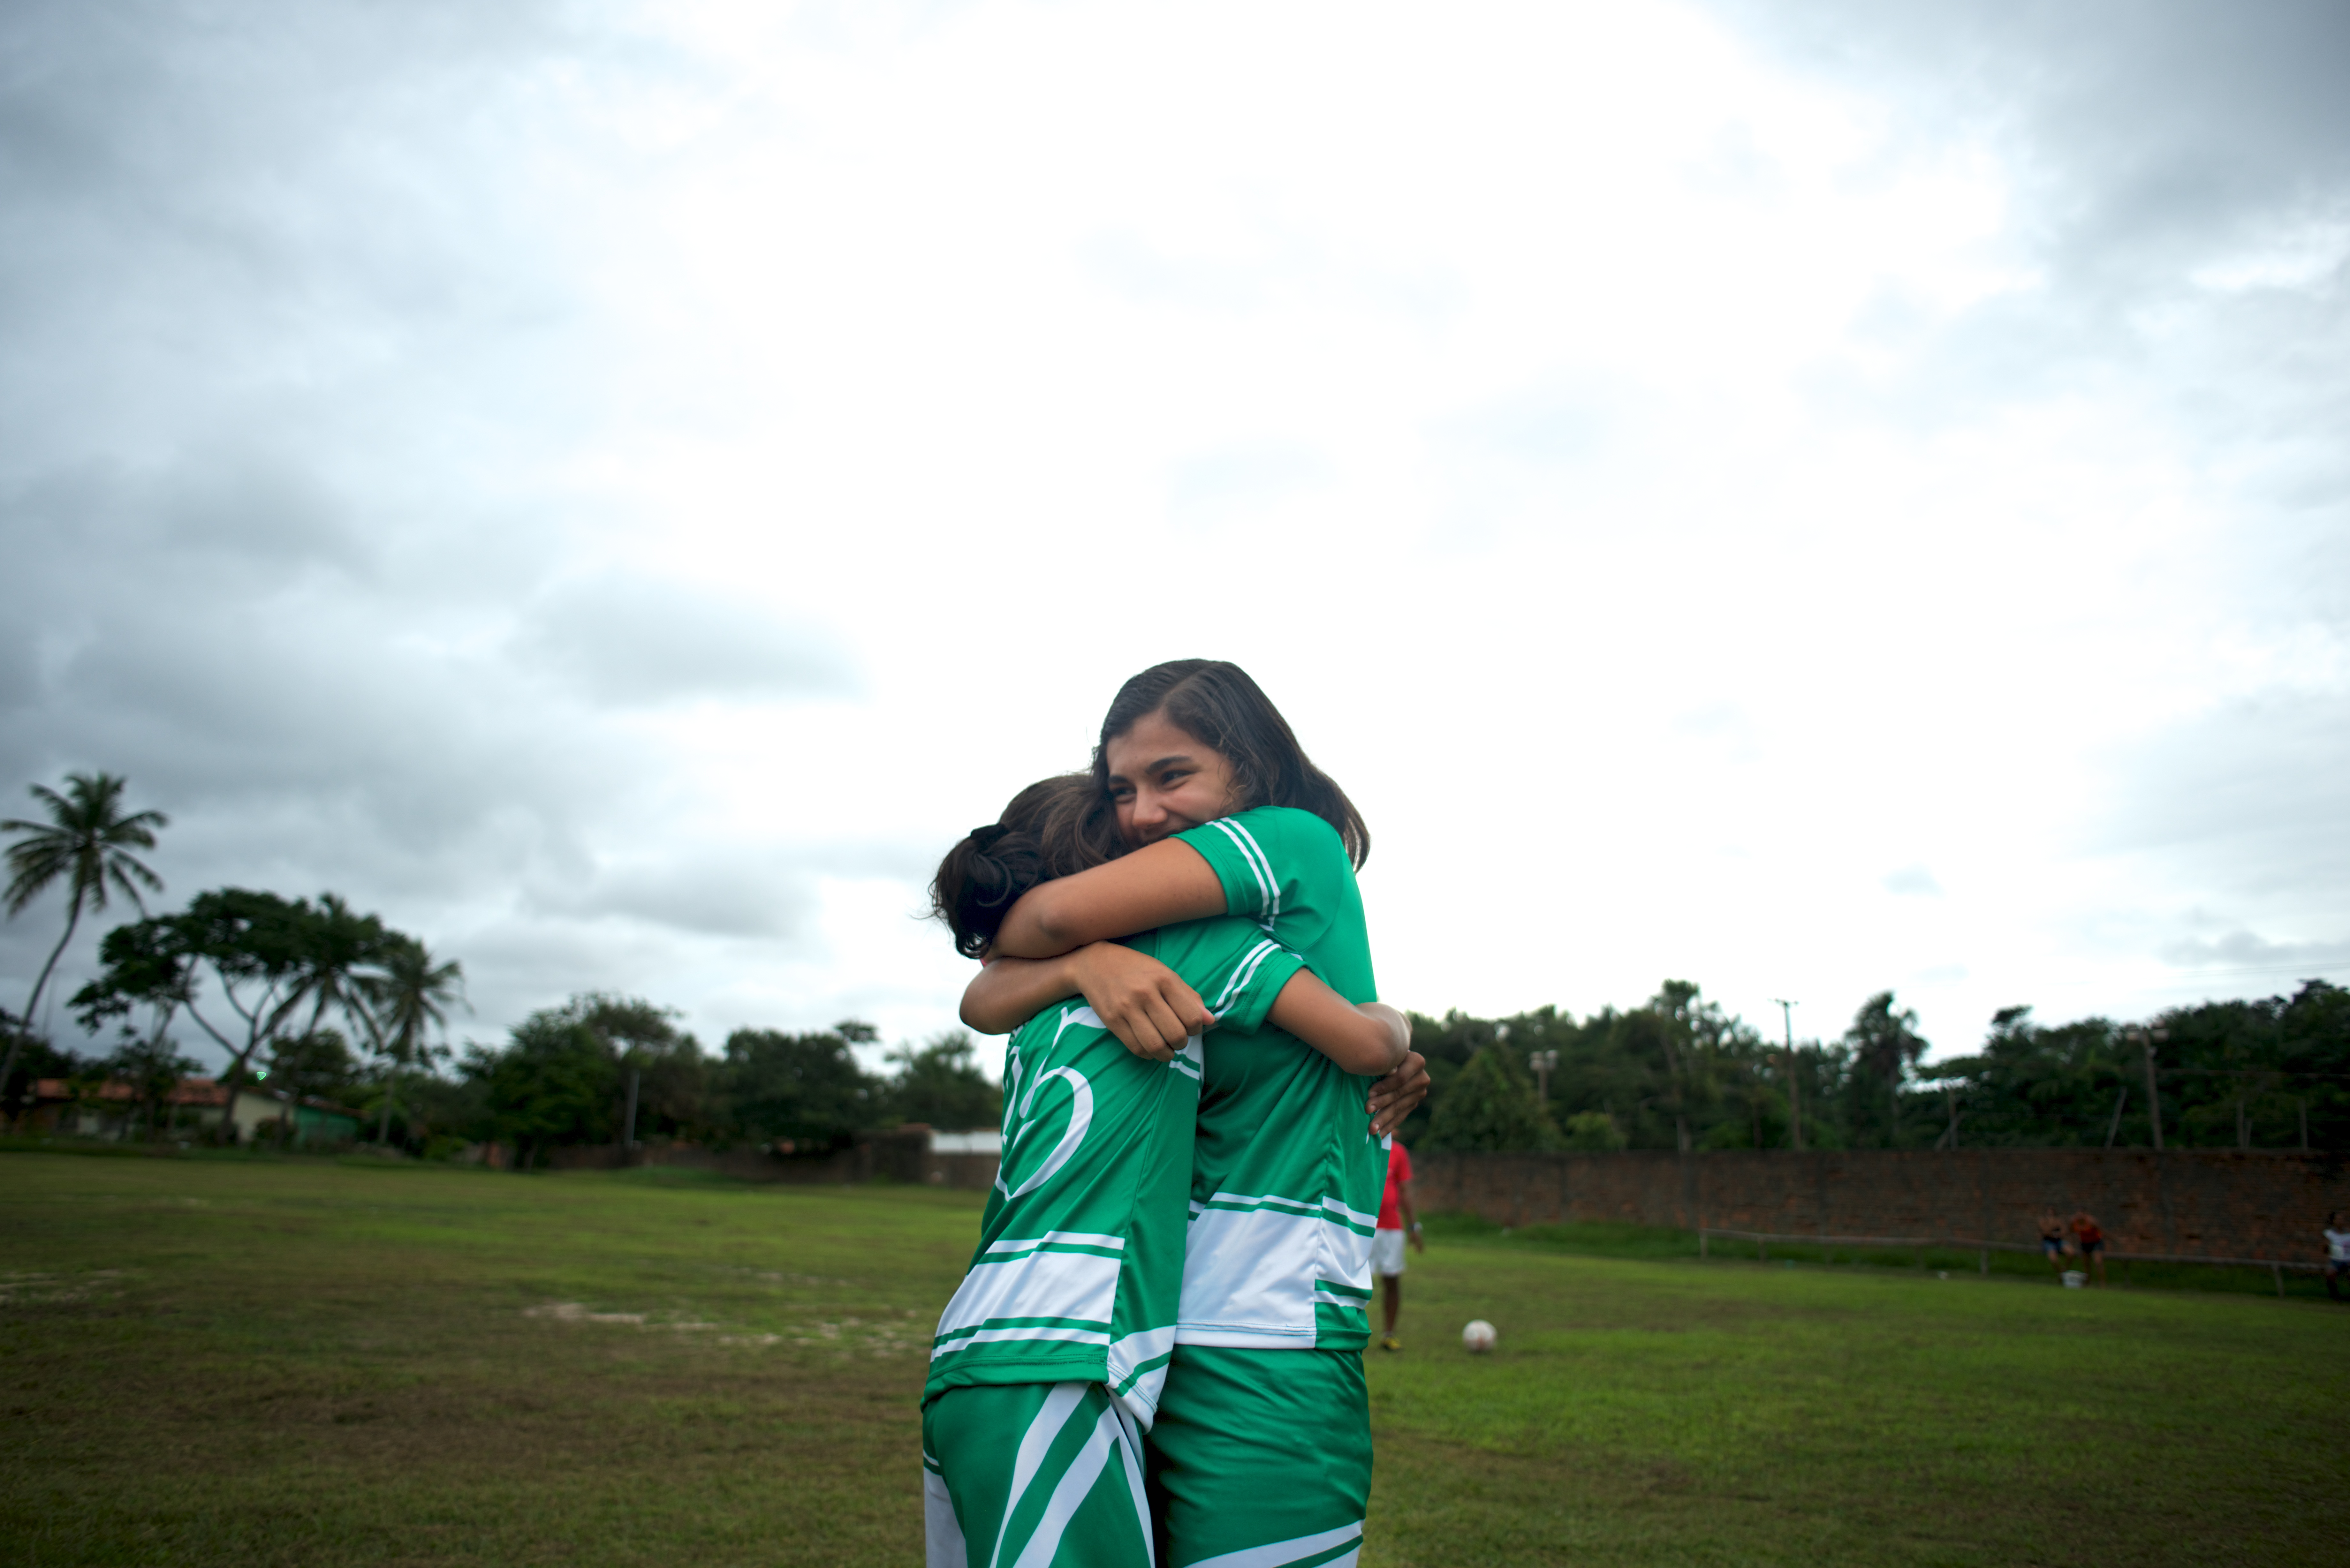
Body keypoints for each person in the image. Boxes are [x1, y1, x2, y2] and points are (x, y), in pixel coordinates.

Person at [964, 659, 1418, 1568]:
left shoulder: (1288, 838)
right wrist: (1081, 964)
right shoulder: (1190, 938)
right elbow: (996, 980)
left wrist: (1392, 1031)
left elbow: (1037, 920)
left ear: (1252, 763)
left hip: (1265, 1327)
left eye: (1172, 777)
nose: (1138, 813)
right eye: (1120, 788)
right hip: (1156, 1333)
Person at [1372, 1136, 1423, 1352]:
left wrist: (1414, 1227)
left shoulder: (1399, 1152)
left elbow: (1405, 1190)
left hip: (1392, 1229)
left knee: (1392, 1281)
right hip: (1363, 1227)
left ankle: (1388, 1335)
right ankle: (1347, 1331)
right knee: (1352, 1280)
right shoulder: (1360, 1143)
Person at [2070, 1209, 2107, 1288]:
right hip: (2085, 1244)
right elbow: (2071, 1231)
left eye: (2081, 1216)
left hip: (2096, 1242)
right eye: (2078, 1216)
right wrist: (2071, 1223)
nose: (2079, 1218)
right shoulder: (2075, 1223)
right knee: (2086, 1264)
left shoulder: (2091, 1222)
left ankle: (2102, 1283)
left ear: (2085, 1215)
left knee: (2098, 1262)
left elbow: (2101, 1230)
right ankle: (2088, 1282)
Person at [2324, 1210, 2350, 1303]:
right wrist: (2328, 1247)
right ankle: (2336, 1297)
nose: (2340, 1221)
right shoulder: (2330, 1234)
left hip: (2348, 1260)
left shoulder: (2348, 1233)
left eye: (2342, 1219)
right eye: (2338, 1219)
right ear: (2333, 1221)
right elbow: (2325, 1250)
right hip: (2336, 1260)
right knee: (2330, 1274)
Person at [2039, 1211, 2071, 1278]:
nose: (2051, 1216)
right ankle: (2060, 1275)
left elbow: (2064, 1231)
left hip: (2059, 1242)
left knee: (2071, 1252)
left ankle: (2064, 1270)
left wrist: (2059, 1234)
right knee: (2054, 1259)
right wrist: (2052, 1225)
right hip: (2049, 1242)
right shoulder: (2044, 1221)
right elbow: (2046, 1232)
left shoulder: (2059, 1221)